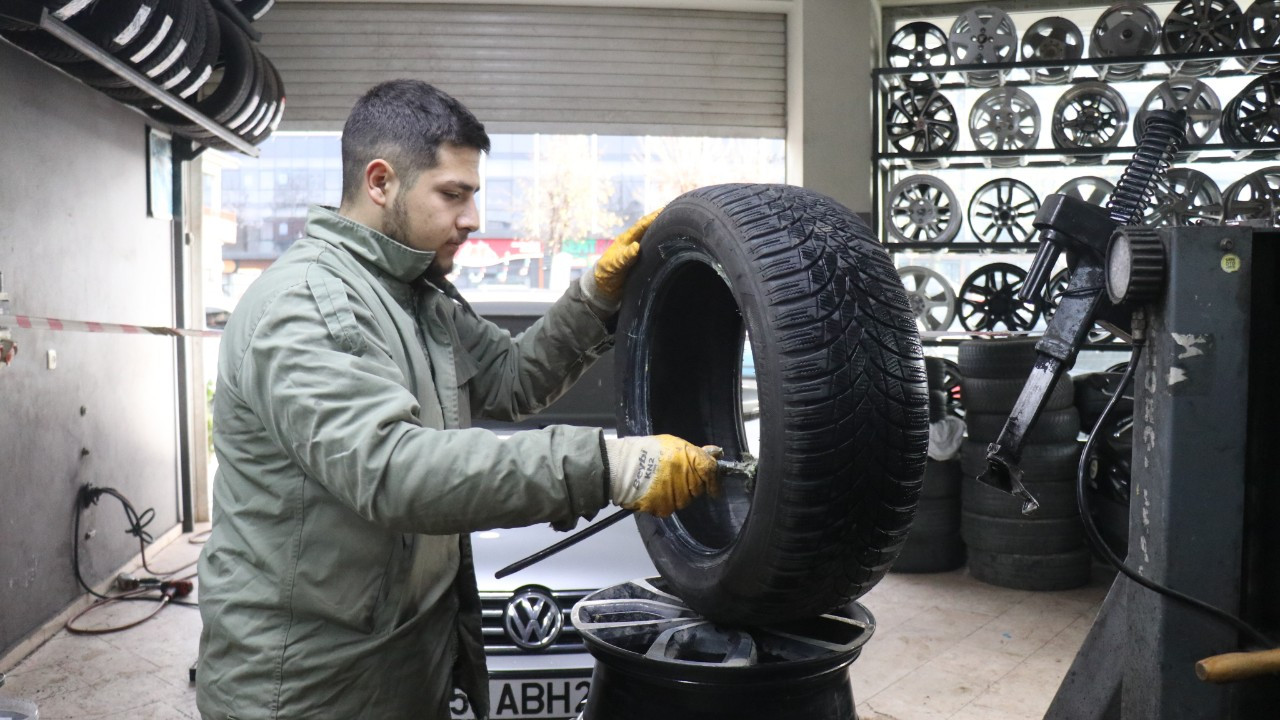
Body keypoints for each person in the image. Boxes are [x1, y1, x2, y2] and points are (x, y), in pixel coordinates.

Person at [196, 79, 719, 720]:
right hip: (309, 687)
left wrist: (595, 299)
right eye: (453, 195)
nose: (472, 219)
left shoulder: (416, 295)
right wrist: (608, 465)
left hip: (406, 664)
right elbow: (393, 471)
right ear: (381, 182)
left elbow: (513, 378)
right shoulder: (307, 304)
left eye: (474, 196)